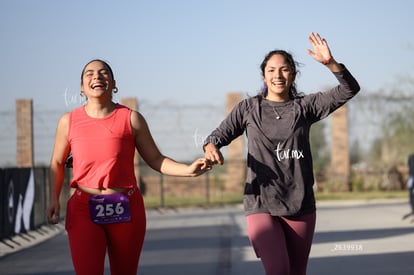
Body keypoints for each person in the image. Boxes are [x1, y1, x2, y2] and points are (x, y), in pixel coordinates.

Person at [203, 32, 360, 275]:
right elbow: (216, 136)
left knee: (296, 271)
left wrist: (330, 63)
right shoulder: (248, 108)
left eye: (284, 69)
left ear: (293, 75)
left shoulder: (305, 107)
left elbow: (349, 89)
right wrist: (211, 146)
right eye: (272, 70)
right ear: (264, 76)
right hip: (260, 202)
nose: (278, 75)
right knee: (278, 270)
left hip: (300, 203)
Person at [46, 59, 211, 275]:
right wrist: (53, 199)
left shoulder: (131, 119)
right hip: (84, 209)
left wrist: (188, 170)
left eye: (104, 73)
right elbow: (57, 162)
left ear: (113, 83)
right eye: (90, 74)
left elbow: (156, 159)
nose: (96, 76)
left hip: (126, 208)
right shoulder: (69, 121)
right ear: (81, 87)